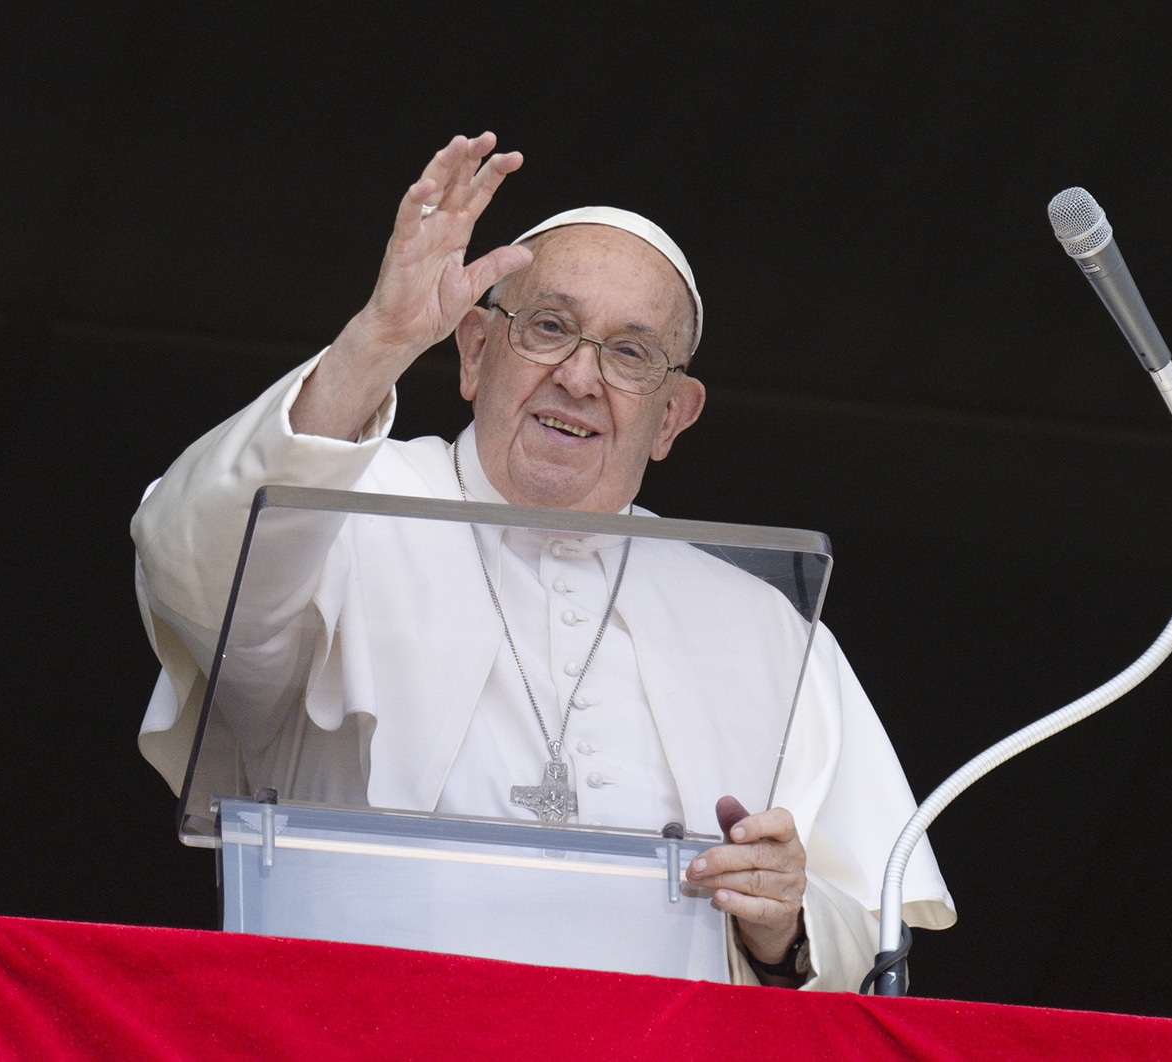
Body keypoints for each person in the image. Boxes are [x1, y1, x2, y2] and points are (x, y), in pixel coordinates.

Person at [132, 132, 954, 990]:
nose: (580, 377)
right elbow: (192, 562)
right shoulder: (341, 507)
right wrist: (376, 342)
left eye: (631, 354)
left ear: (673, 416)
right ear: (476, 349)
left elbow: (875, 929)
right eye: (550, 328)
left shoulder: (760, 625)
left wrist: (784, 925)